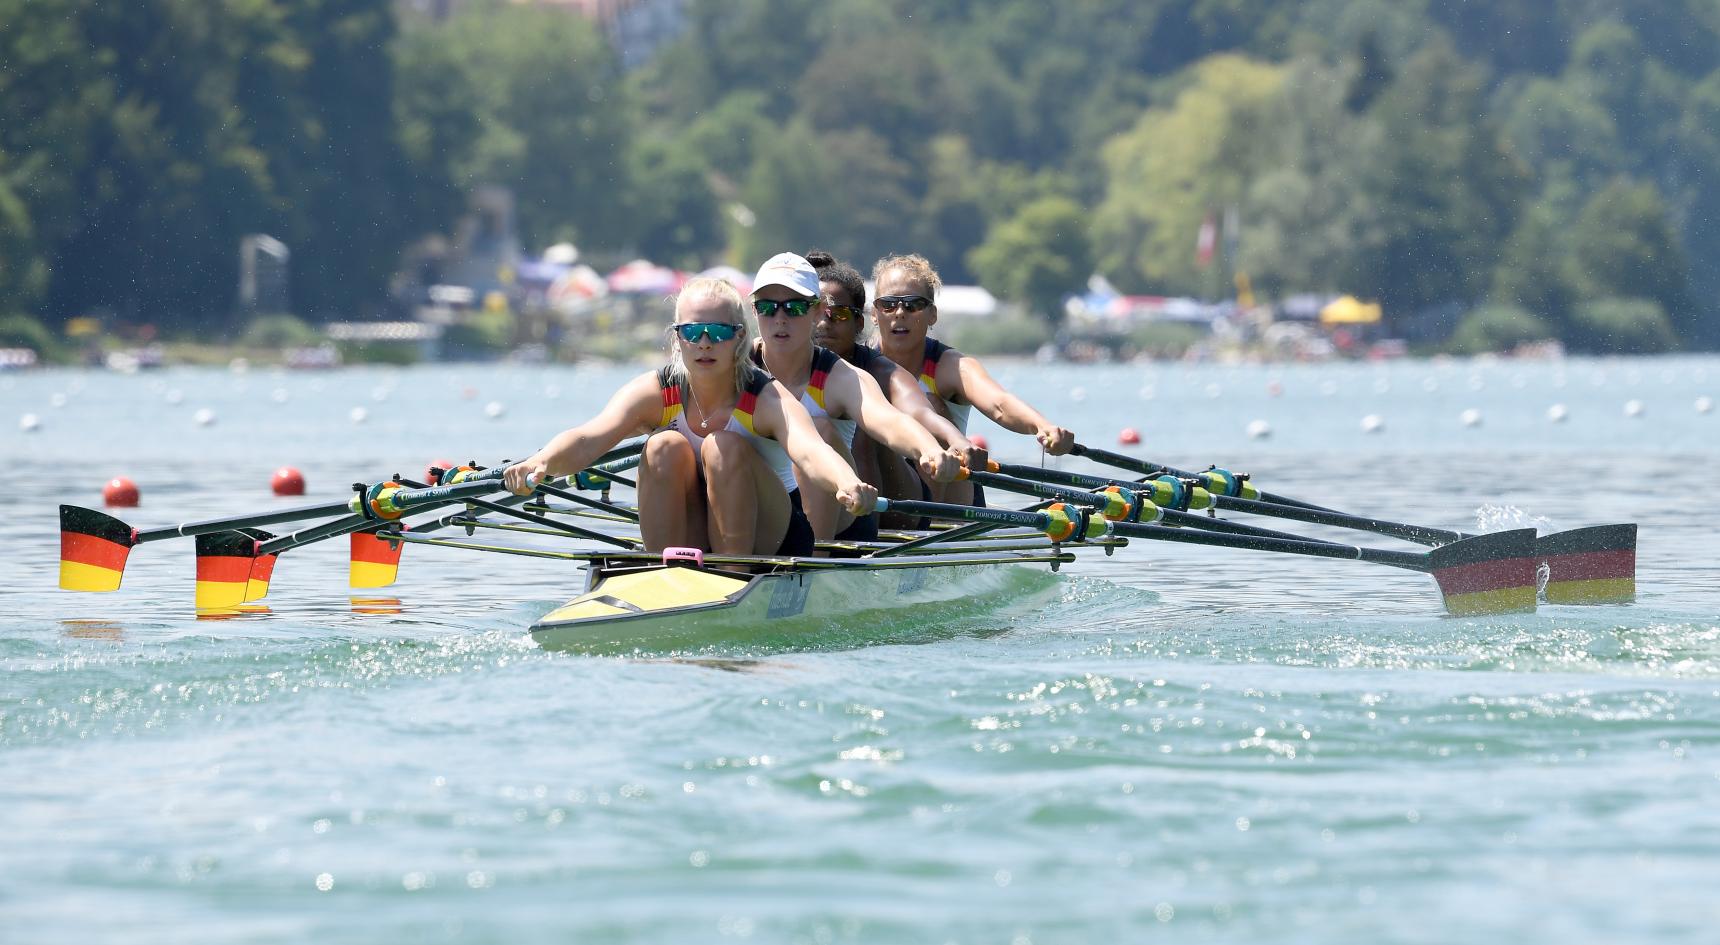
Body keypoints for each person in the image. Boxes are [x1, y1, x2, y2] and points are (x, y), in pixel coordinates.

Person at [504, 277, 875, 557]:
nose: (704, 343)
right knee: (663, 445)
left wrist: (845, 481)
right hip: (701, 526)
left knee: (722, 447)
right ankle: (666, 573)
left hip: (773, 537)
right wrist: (540, 462)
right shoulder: (656, 391)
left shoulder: (765, 397)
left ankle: (732, 576)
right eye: (693, 332)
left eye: (717, 332)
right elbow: (589, 437)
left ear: (739, 337)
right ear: (677, 337)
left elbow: (810, 451)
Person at [749, 251, 958, 543]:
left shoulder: (842, 376)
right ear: (754, 310)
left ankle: (815, 567)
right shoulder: (734, 366)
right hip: (765, 509)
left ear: (817, 311)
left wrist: (928, 449)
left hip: (842, 516)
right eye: (768, 307)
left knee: (820, 429)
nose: (780, 318)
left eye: (794, 307)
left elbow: (889, 421)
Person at [871, 253, 1075, 506]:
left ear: (932, 314)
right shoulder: (854, 366)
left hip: (950, 496)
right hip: (878, 487)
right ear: (874, 313)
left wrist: (1042, 427)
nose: (900, 313)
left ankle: (927, 524)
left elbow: (999, 404)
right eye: (888, 304)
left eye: (913, 305)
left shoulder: (951, 366)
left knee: (929, 404)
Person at [806, 250, 976, 522]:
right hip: (828, 493)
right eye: (813, 313)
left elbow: (924, 412)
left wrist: (954, 442)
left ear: (859, 322)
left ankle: (927, 528)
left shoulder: (877, 370)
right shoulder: (765, 362)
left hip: (910, 492)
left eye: (837, 315)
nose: (823, 324)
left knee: (872, 421)